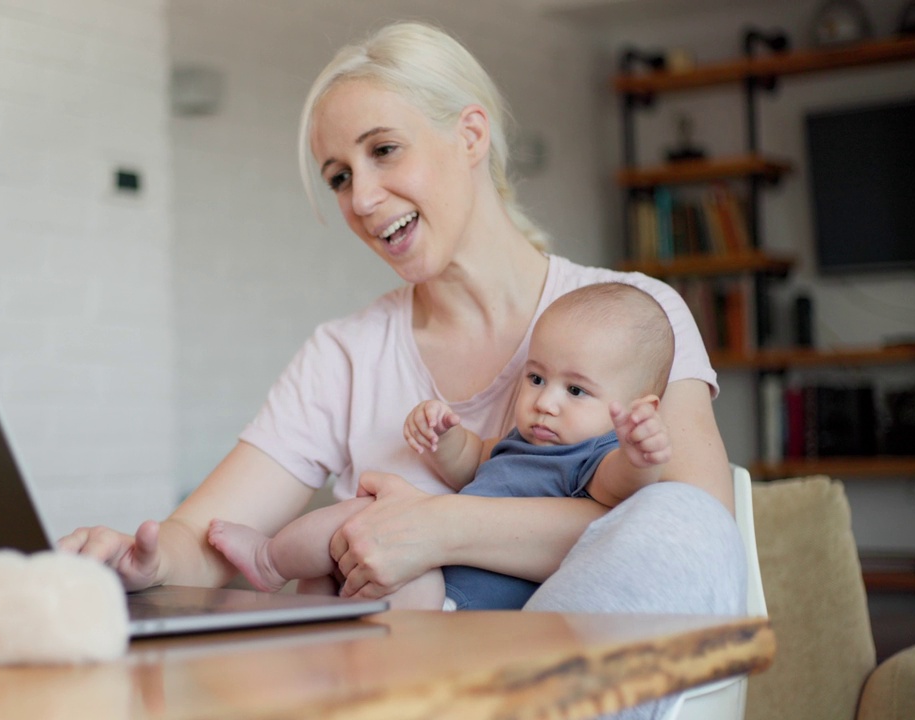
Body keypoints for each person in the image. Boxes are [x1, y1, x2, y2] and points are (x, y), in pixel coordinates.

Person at [59, 21, 744, 643]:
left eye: (384, 150)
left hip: (575, 672)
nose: (360, 199)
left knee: (678, 523)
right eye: (339, 177)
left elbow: (687, 527)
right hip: (399, 686)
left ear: (470, 135)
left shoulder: (634, 316)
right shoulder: (344, 356)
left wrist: (435, 528)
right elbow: (201, 541)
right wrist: (140, 563)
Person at [206, 282, 676, 611]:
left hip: (457, 603)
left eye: (576, 391)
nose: (545, 402)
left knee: (363, 517)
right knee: (330, 564)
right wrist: (445, 437)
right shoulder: (521, 443)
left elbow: (620, 497)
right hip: (425, 570)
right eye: (536, 378)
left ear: (637, 406)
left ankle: (270, 562)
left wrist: (639, 455)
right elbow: (472, 464)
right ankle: (311, 644)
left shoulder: (596, 456)